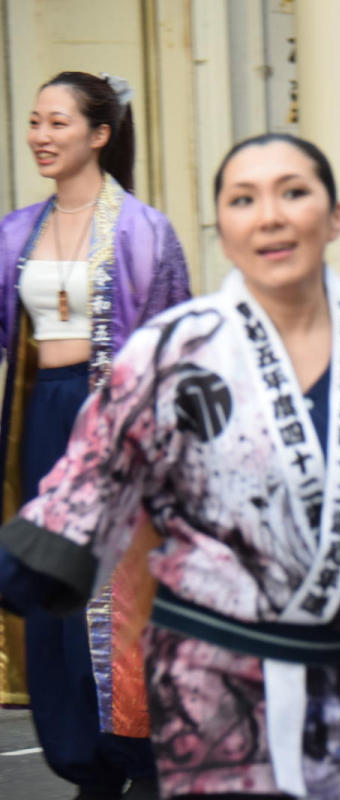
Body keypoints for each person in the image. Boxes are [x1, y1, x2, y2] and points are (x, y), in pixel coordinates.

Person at [0, 133, 340, 800]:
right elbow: (84, 494)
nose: (269, 215)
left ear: (335, 216)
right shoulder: (169, 352)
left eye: (293, 192)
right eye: (243, 200)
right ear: (225, 231)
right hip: (204, 678)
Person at [0, 71, 191, 800]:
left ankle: (138, 764)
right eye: (34, 121)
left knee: (118, 604)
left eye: (58, 123)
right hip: (38, 424)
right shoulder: (16, 231)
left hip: (115, 434)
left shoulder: (144, 230)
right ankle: (84, 765)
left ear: (100, 135)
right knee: (51, 611)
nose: (41, 136)